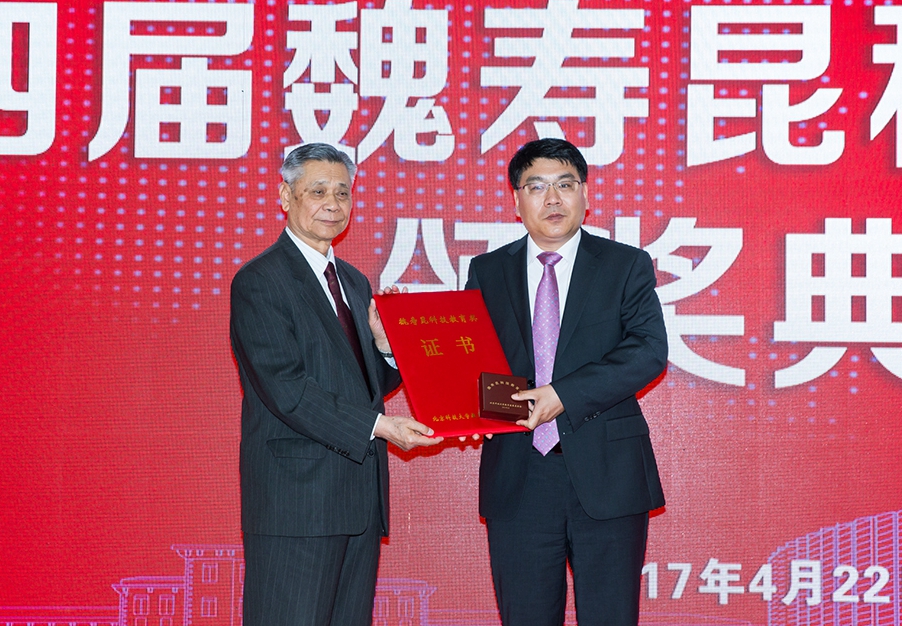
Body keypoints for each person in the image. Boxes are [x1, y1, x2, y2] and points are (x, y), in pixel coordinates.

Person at [230, 142, 441, 626]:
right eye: (318, 191)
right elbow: (287, 390)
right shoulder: (260, 281)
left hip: (358, 500)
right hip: (297, 505)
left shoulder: (353, 281)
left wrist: (385, 347)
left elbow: (363, 385)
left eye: (343, 193)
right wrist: (380, 427)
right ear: (286, 196)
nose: (333, 203)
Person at [465, 138, 668, 625]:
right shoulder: (487, 271)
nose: (552, 199)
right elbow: (473, 360)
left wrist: (562, 395)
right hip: (519, 476)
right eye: (536, 187)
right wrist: (469, 406)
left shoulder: (625, 265)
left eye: (565, 184)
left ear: (585, 194)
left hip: (607, 473)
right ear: (516, 199)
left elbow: (647, 351)